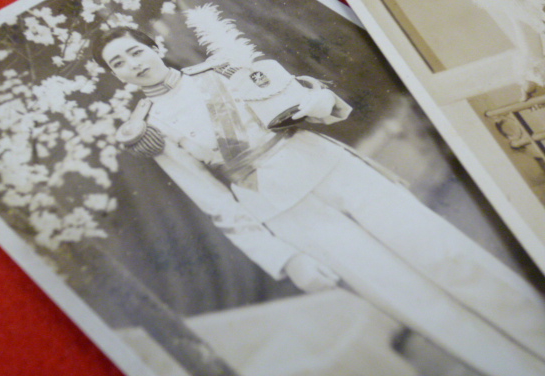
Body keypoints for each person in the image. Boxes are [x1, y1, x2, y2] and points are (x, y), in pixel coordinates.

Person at [93, 26, 545, 376]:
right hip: (286, 212)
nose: (132, 64)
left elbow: (311, 102)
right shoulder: (149, 130)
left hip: (333, 170)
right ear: (117, 76)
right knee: (412, 298)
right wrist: (285, 259)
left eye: (134, 51)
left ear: (154, 46)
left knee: (448, 256)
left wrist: (310, 102)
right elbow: (215, 203)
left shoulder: (223, 69)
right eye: (119, 63)